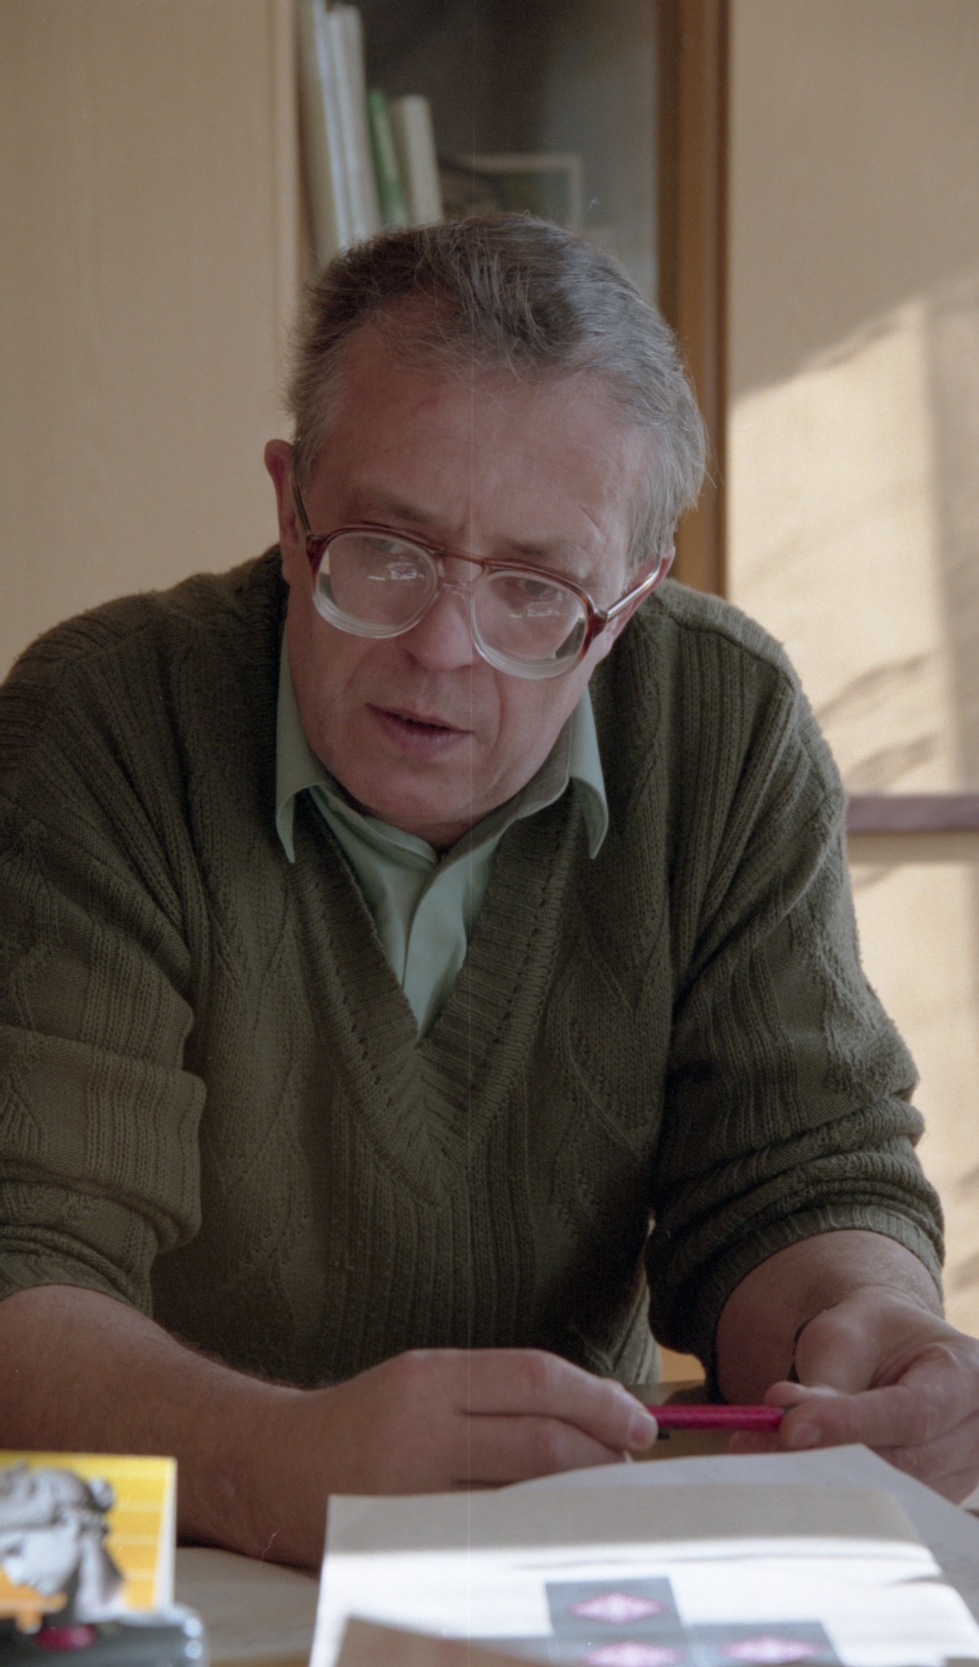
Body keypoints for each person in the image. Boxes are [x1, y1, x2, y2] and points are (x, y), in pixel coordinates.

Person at [1, 217, 977, 1572]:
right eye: (384, 551)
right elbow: (28, 1254)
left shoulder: (724, 723)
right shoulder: (105, 720)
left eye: (535, 587)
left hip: (575, 1547)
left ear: (631, 600)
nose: (443, 646)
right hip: (175, 1545)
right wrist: (275, 1463)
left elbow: (795, 1173)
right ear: (289, 509)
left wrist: (865, 1331)